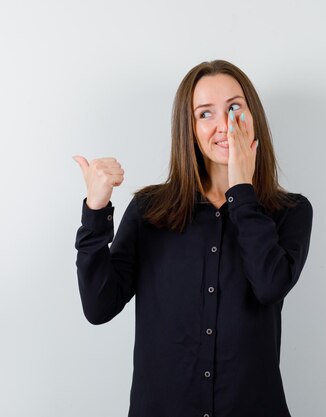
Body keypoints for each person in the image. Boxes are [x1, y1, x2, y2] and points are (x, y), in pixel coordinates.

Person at [73, 60, 313, 417]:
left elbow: (269, 285)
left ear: (253, 116)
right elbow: (99, 306)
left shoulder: (289, 212)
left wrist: (242, 190)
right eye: (205, 114)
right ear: (189, 128)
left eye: (234, 107)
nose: (223, 126)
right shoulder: (149, 211)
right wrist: (96, 209)